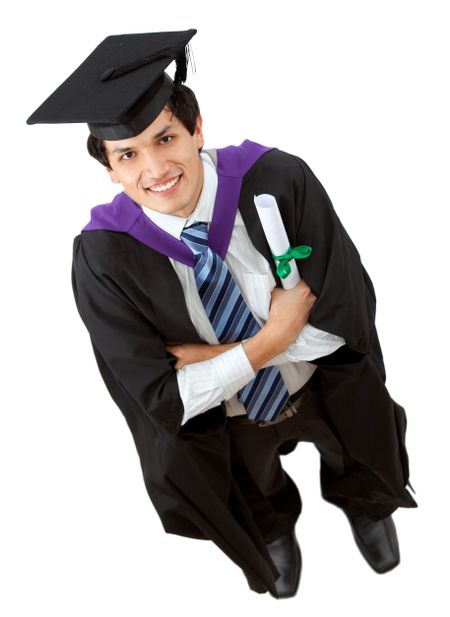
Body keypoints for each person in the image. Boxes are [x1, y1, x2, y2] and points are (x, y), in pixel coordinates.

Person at [27, 28, 417, 599]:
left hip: (323, 387)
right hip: (228, 419)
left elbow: (342, 321)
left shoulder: (279, 181)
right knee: (253, 490)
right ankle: (277, 534)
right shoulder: (103, 256)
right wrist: (276, 334)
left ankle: (366, 510)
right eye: (128, 154)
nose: (155, 167)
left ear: (197, 129)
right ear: (110, 169)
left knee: (360, 452)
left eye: (165, 138)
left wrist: (211, 359)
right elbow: (164, 399)